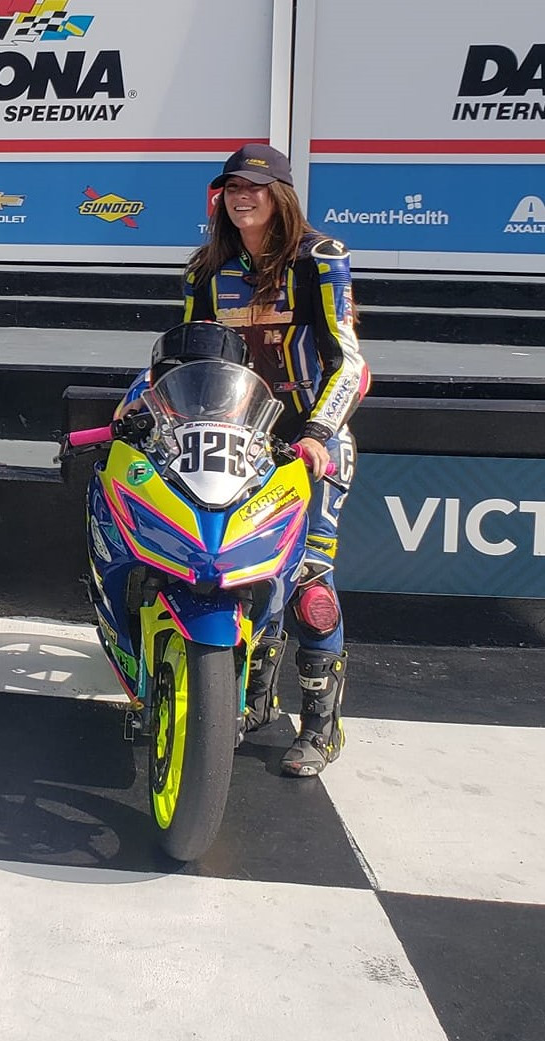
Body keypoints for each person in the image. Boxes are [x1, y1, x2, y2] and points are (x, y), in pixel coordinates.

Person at [127, 143, 368, 776]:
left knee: (310, 580)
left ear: (281, 195)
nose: (241, 197)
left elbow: (351, 361)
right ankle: (242, 701)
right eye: (232, 188)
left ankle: (321, 727)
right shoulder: (205, 269)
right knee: (231, 569)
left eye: (255, 188)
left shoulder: (321, 258)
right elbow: (183, 359)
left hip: (314, 440)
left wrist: (318, 430)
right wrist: (143, 411)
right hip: (236, 438)